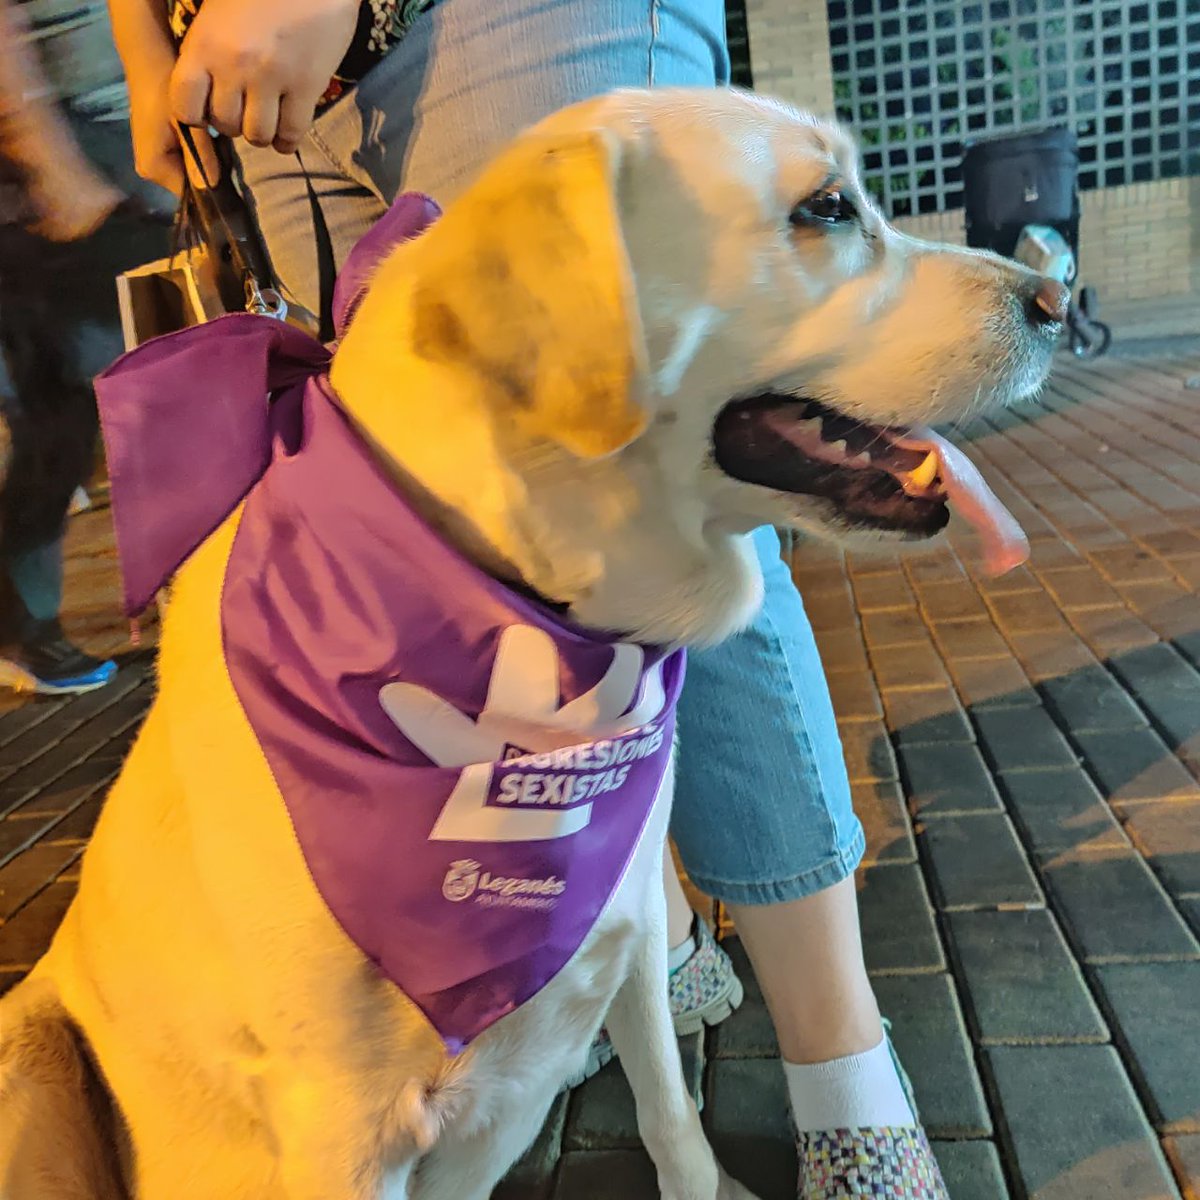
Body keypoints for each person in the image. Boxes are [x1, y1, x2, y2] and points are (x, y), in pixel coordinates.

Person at [108, 2, 947, 1193]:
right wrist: (143, 47)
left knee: (666, 491)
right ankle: (624, 926)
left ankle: (844, 1076)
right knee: (471, 521)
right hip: (249, 74)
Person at [0, 0, 165, 694]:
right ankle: (21, 625)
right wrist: (49, 159)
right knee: (91, 403)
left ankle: (24, 625)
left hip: (124, 135)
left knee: (91, 408)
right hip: (73, 153)